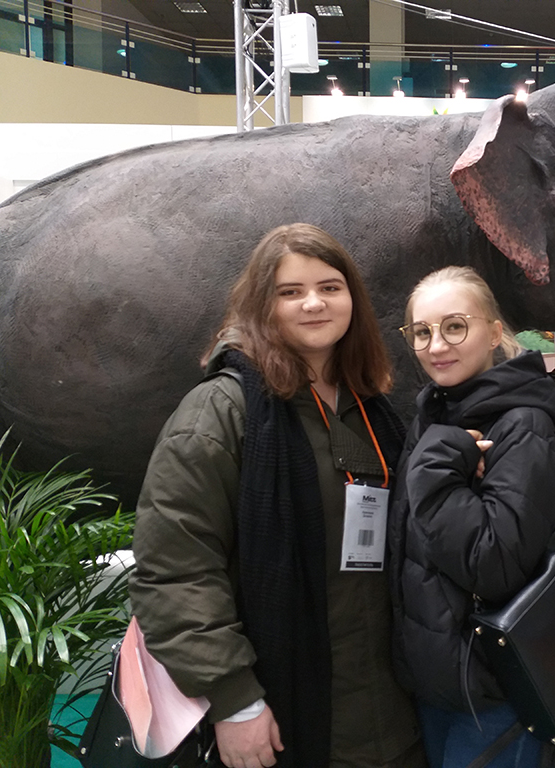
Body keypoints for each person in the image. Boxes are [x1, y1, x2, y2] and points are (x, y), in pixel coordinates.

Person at [130, 223, 424, 768]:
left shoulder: (371, 407)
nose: (314, 303)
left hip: (390, 709)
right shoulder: (222, 412)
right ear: (262, 305)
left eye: (330, 287)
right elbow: (176, 569)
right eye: (291, 291)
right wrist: (234, 700)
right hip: (284, 712)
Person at [389, 266, 555, 768]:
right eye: (421, 332)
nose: (436, 346)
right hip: (440, 676)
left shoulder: (521, 424)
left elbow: (495, 563)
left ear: (493, 333)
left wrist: (435, 465)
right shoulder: (435, 415)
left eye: (454, 326)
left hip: (493, 686)